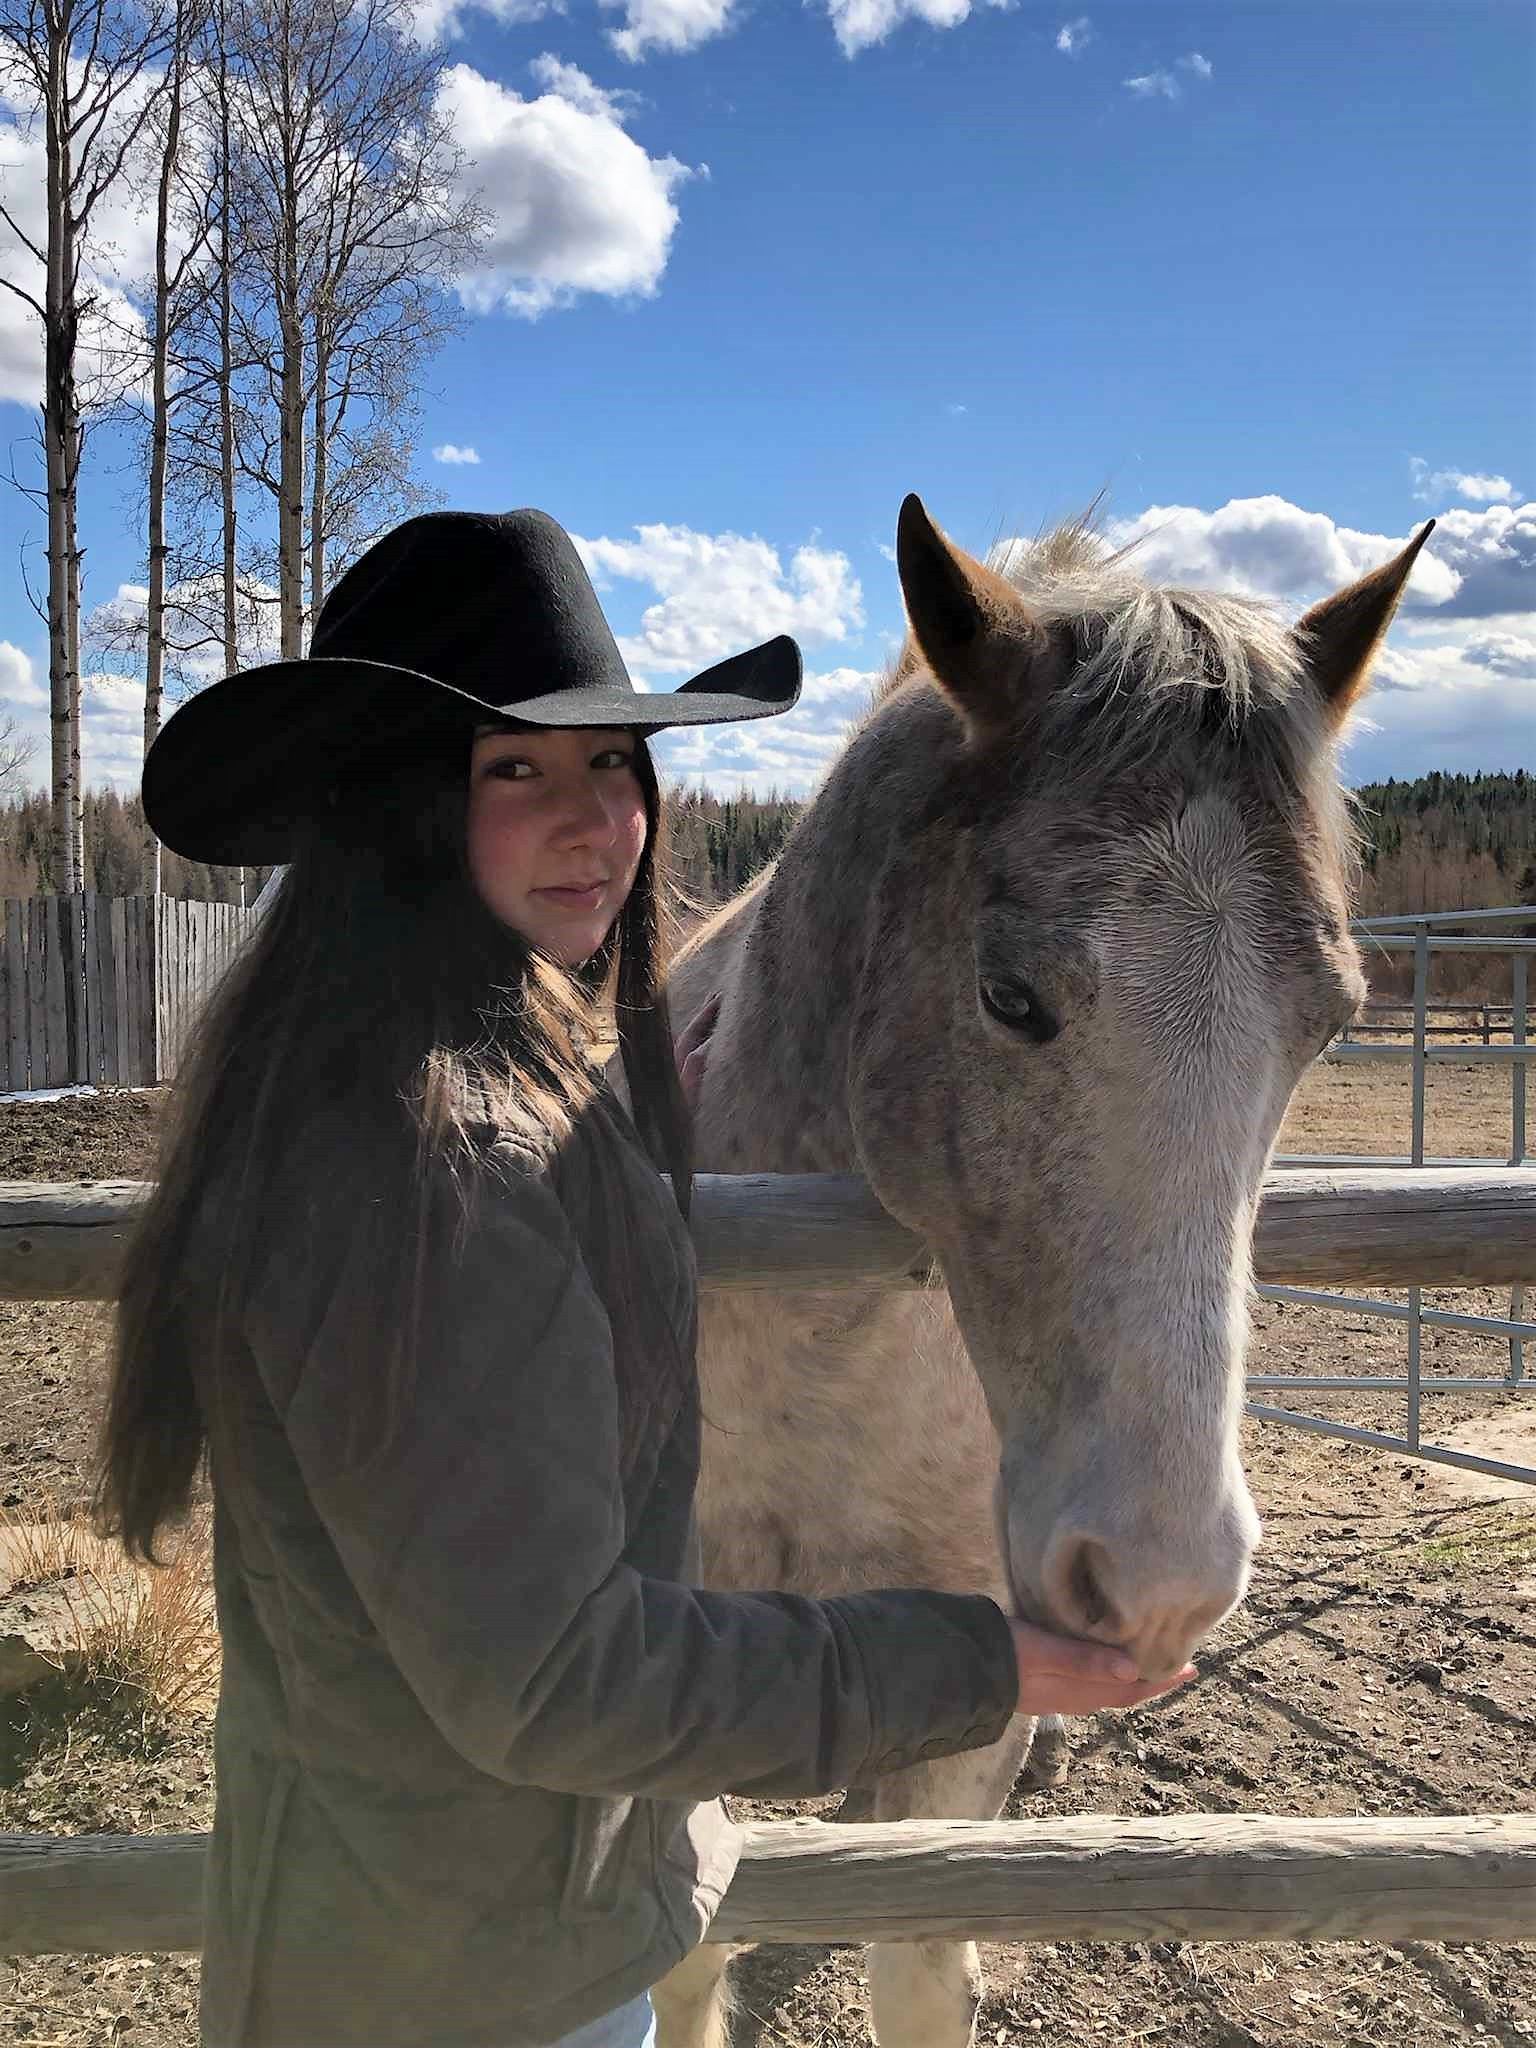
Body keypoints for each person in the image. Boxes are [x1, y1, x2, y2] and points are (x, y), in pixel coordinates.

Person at [96, 509, 1191, 2048]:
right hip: (472, 1982)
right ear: (406, 809)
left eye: (614, 764)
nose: (597, 821)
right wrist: (982, 1662)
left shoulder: (422, 1076)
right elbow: (561, 1682)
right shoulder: (441, 1173)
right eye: (518, 771)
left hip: (428, 1918)